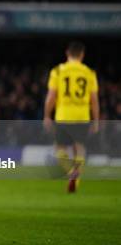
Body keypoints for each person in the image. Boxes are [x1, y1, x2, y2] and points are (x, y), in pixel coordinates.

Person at [44, 41, 99, 192]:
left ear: (67, 53)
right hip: (82, 115)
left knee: (60, 148)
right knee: (79, 148)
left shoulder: (58, 71)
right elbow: (94, 100)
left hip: (64, 114)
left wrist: (47, 115)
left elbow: (51, 96)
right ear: (82, 55)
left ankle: (70, 172)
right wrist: (96, 120)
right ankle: (77, 177)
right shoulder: (89, 73)